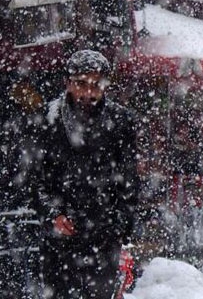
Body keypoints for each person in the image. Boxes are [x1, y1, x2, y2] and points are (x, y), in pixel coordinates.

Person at [35, 50, 139, 298]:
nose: (89, 92)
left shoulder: (121, 121)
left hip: (103, 234)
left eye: (96, 85)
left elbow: (129, 180)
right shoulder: (47, 119)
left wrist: (120, 227)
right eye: (81, 83)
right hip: (60, 237)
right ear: (68, 83)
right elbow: (35, 179)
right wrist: (54, 214)